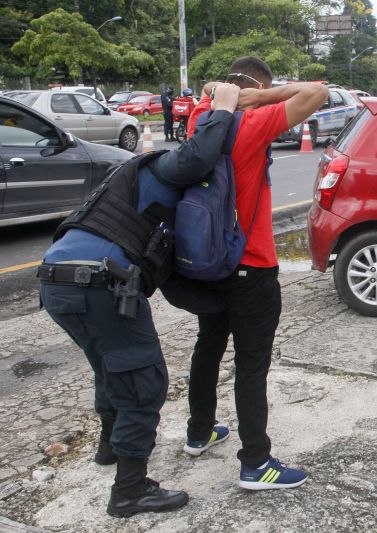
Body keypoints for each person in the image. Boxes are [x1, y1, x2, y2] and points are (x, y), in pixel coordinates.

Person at [37, 84, 242, 517]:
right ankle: (130, 491)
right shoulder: (164, 167)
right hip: (99, 283)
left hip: (59, 282)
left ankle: (109, 449)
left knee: (110, 365)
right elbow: (199, 155)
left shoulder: (137, 192)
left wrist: (220, 309)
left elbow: (169, 280)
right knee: (142, 383)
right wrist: (224, 108)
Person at [178, 57, 328, 490]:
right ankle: (256, 464)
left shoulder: (201, 119)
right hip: (252, 262)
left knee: (208, 345)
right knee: (251, 364)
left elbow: (208, 94)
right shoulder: (252, 122)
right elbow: (319, 91)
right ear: (255, 88)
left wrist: (221, 91)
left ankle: (199, 431)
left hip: (207, 260)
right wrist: (261, 96)